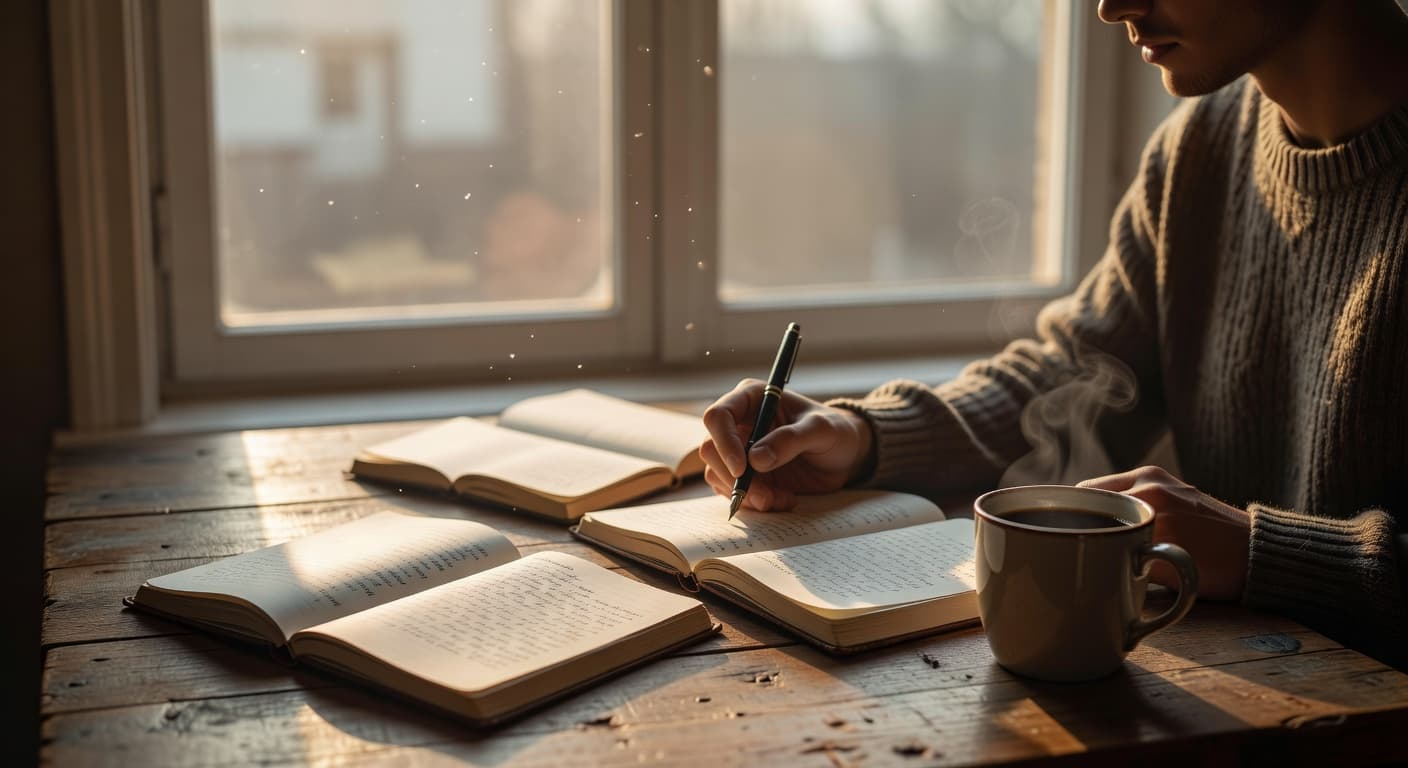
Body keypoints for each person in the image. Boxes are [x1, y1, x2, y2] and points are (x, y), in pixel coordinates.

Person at [699, 0, 1408, 666]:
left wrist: (1260, 555)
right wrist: (860, 436)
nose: (1110, 7)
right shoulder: (1201, 150)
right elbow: (1074, 377)